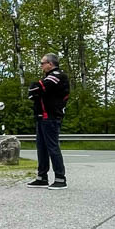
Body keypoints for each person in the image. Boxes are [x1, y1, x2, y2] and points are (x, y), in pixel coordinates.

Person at [27, 54, 70, 188]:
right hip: (41, 117)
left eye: (42, 63)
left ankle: (60, 178)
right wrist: (35, 89)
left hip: (51, 116)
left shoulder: (58, 75)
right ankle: (42, 177)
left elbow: (38, 87)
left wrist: (36, 88)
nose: (41, 66)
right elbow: (32, 93)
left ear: (50, 64)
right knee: (41, 148)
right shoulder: (48, 77)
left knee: (52, 147)